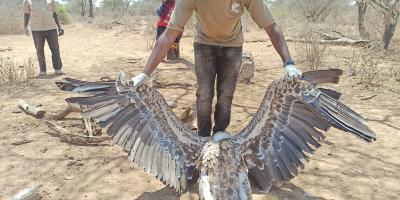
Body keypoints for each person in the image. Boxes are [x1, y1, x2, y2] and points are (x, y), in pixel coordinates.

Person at [132, 0, 302, 137]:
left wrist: (289, 63)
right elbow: (169, 35)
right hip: (204, 44)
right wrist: (145, 74)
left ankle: (220, 132)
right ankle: (203, 135)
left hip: (233, 45)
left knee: (226, 93)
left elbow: (271, 27)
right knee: (204, 93)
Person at [23, 0, 64, 78]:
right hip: (37, 29)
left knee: (55, 48)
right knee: (39, 50)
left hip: (51, 28)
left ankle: (58, 68)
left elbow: (54, 13)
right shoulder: (27, 1)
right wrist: (25, 27)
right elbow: (26, 14)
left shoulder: (51, 0)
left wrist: (59, 26)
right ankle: (43, 70)